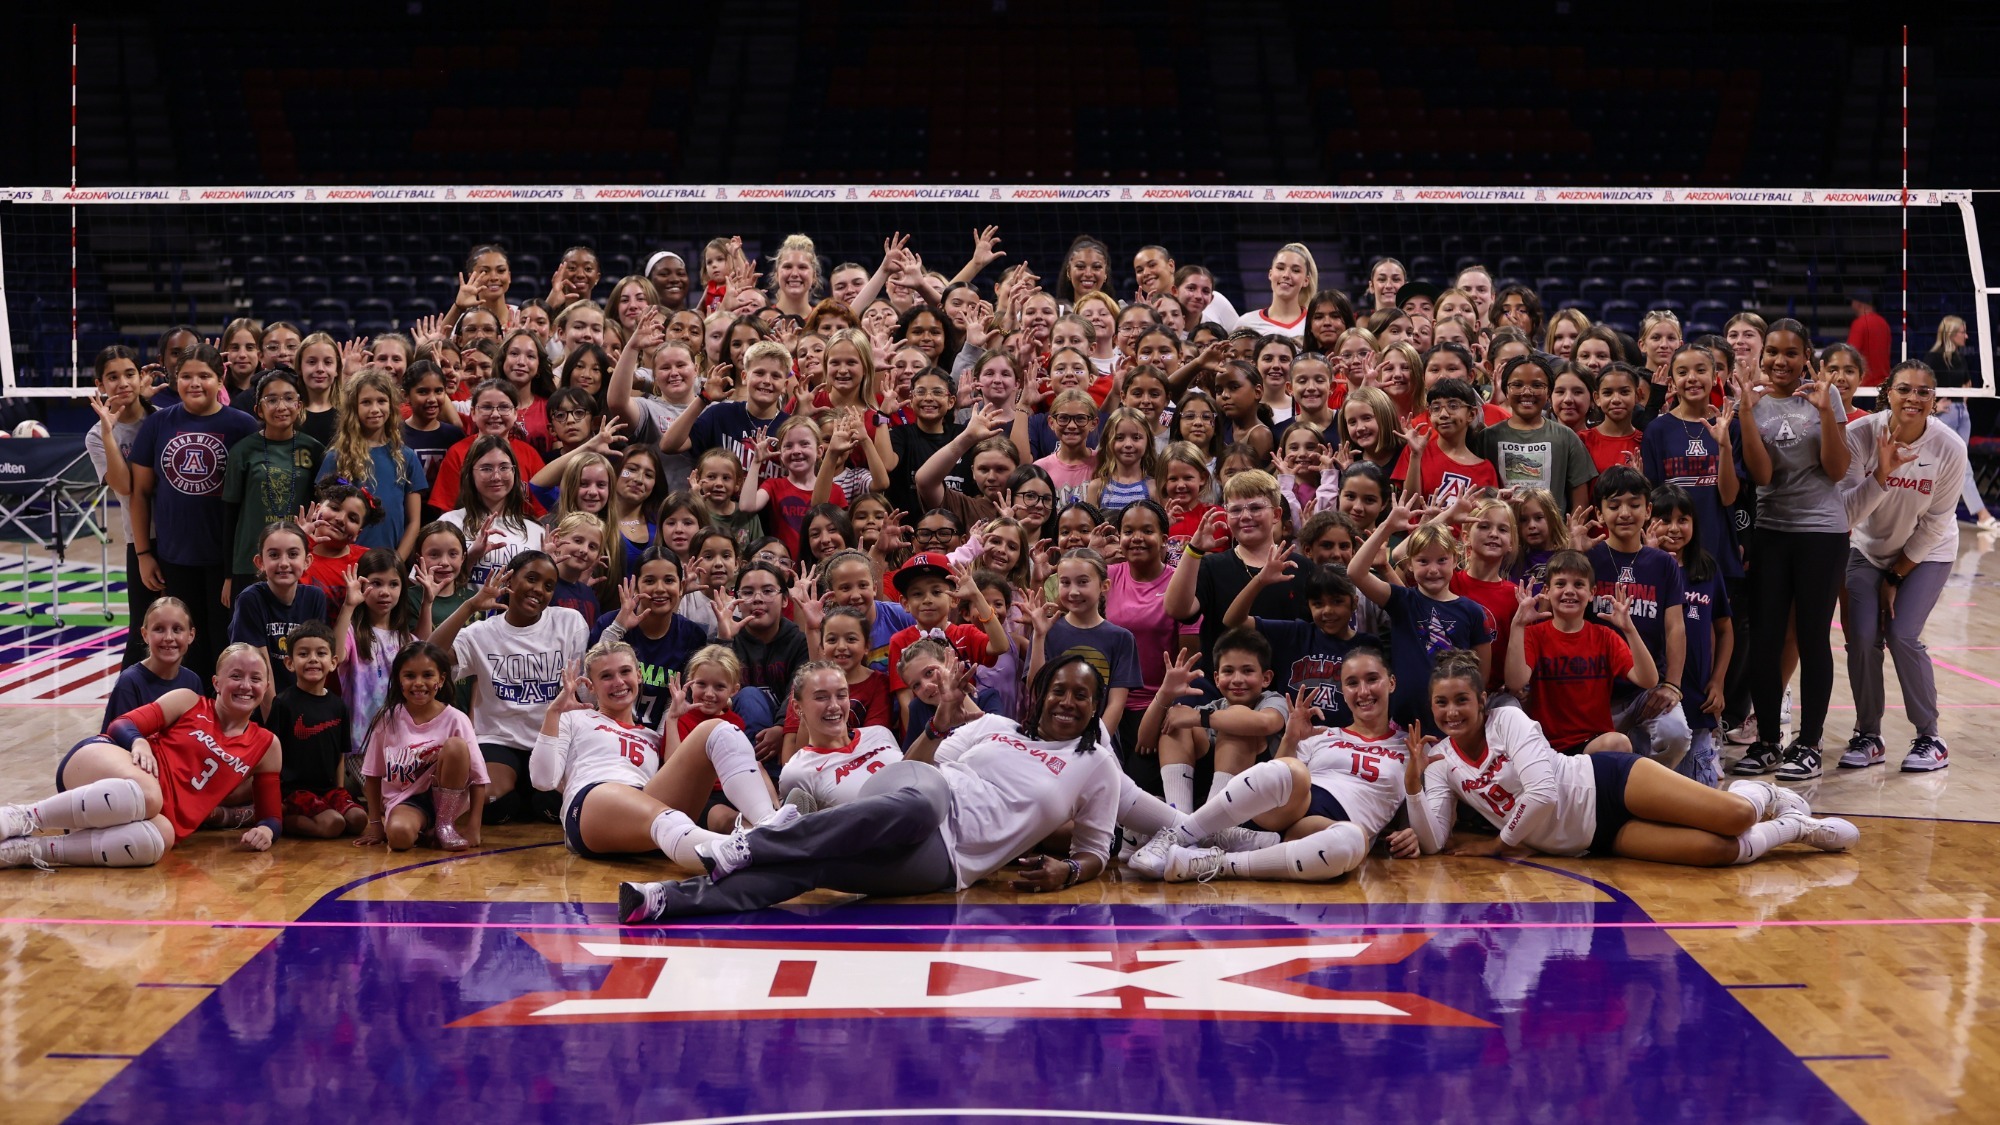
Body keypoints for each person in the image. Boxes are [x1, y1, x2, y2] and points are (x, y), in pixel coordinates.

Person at [618, 650, 1123, 921]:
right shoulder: (995, 726)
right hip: (921, 789)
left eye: (1082, 695)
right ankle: (755, 842)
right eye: (1059, 690)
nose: (1068, 702)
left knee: (813, 866)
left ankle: (665, 900)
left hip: (950, 862)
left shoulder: (1097, 763)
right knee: (919, 806)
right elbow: (920, 764)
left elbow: (1097, 847)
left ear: (1095, 706)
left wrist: (1073, 870)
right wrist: (939, 723)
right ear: (1041, 694)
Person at [1406, 650, 1857, 865]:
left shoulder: (1507, 721)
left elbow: (1543, 792)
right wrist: (1413, 788)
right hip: (1592, 839)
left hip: (1605, 782)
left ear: (1481, 700)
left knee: (1736, 817)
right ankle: (1795, 828)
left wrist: (1498, 845)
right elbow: (1434, 841)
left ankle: (1760, 793)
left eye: (1461, 700)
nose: (1451, 712)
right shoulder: (1441, 762)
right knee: (1718, 853)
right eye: (1441, 703)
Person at [1123, 648, 1410, 883]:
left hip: (1319, 829)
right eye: (1351, 683)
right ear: (1343, 691)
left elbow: (1423, 818)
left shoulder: (1413, 747)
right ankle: (1185, 833)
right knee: (1293, 771)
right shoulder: (1324, 735)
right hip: (1286, 807)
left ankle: (1211, 861)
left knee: (1351, 841)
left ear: (1392, 683)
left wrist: (1412, 831)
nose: (1363, 691)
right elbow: (1277, 774)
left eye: (1372, 679)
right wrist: (1291, 737)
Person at [1, 644, 281, 871]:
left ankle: (28, 851)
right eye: (236, 676)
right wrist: (138, 742)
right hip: (98, 767)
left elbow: (272, 816)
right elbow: (120, 725)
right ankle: (21, 816)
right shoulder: (189, 701)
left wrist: (267, 831)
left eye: (255, 679)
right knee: (151, 795)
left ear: (266, 685)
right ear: (217, 682)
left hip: (132, 814)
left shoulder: (267, 745)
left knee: (162, 836)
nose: (246, 685)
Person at [1730, 319, 1852, 781]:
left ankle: (1810, 743)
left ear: (1806, 358)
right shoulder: (1752, 402)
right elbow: (1761, 478)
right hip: (1771, 530)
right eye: (1773, 353)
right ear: (1762, 359)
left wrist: (1824, 411)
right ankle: (1765, 742)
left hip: (1822, 533)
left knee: (1813, 637)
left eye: (1791, 353)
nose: (1780, 361)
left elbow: (1837, 471)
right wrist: (1744, 414)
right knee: (1765, 638)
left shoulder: (1826, 397)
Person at [1837, 360, 1964, 772]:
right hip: (1869, 547)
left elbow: (1935, 525)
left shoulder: (1949, 448)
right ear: (1887, 392)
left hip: (1927, 552)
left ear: (1933, 399)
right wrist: (1884, 475)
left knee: (1903, 634)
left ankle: (1930, 737)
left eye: (1924, 392)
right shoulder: (1859, 435)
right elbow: (1847, 513)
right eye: (1905, 389)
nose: (1914, 398)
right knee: (1861, 636)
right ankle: (1869, 734)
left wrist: (1896, 577)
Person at [128, 342, 261, 678]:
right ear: (175, 379)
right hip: (175, 559)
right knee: (186, 651)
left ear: (221, 377)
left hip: (227, 563)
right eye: (186, 376)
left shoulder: (243, 426)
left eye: (204, 375)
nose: (194, 383)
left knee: (226, 646)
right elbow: (140, 493)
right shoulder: (158, 425)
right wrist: (144, 553)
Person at [431, 551, 590, 823]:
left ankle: (532, 798)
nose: (539, 590)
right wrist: (469, 607)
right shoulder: (480, 633)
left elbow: (583, 688)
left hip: (552, 739)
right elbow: (430, 656)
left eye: (549, 586)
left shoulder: (570, 622)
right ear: (510, 580)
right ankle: (517, 797)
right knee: (491, 803)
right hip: (499, 739)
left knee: (561, 804)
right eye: (531, 578)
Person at [355, 641, 485, 851]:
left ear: (441, 679)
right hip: (406, 801)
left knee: (456, 746)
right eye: (409, 676)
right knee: (398, 837)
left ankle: (444, 825)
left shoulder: (456, 719)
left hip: (449, 800)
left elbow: (479, 778)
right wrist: (376, 825)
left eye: (427, 675)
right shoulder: (387, 719)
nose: (418, 683)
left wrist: (474, 827)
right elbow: (372, 774)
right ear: (399, 680)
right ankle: (426, 832)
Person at [1140, 630, 1289, 812]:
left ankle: (1210, 823)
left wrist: (1199, 718)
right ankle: (1178, 817)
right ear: (1217, 679)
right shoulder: (1212, 708)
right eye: (1228, 671)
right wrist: (1165, 694)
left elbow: (1267, 723)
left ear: (1266, 678)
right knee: (1177, 719)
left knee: (1237, 720)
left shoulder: (1273, 700)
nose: (1237, 679)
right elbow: (1145, 742)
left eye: (1247, 671)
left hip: (1259, 807)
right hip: (1201, 801)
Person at [222, 369, 323, 602]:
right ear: (258, 409)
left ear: (299, 405)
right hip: (249, 562)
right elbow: (230, 515)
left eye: (289, 398)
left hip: (296, 562)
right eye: (272, 399)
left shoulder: (314, 450)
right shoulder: (242, 451)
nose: (281, 406)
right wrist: (228, 575)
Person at [269, 621, 363, 838]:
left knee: (358, 820)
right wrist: (274, 799)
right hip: (294, 791)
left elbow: (340, 754)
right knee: (333, 824)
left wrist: (340, 791)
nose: (312, 659)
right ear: (290, 663)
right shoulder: (283, 703)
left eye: (320, 653)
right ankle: (284, 818)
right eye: (304, 654)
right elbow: (271, 754)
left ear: (332, 662)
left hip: (328, 790)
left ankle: (327, 811)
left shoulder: (338, 705)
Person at [227, 520, 332, 696]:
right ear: (260, 562)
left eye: (292, 554)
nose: (284, 563)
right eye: (274, 555)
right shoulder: (250, 599)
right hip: (258, 699)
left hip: (298, 699)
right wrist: (274, 720)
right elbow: (259, 670)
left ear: (307, 561)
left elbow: (316, 665)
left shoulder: (315, 597)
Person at [1922, 316, 1997, 530]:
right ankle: (1982, 515)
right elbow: (1922, 386)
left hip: (1962, 414)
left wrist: (1964, 394)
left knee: (1956, 466)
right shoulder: (1933, 358)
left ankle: (1938, 513)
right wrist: (1934, 407)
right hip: (1944, 417)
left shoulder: (1959, 357)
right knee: (1958, 466)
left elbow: (1966, 382)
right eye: (1962, 332)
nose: (1966, 336)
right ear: (1951, 333)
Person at [103, 599, 204, 732]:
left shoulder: (192, 681)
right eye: (159, 629)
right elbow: (112, 740)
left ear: (191, 635)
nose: (168, 637)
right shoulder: (129, 683)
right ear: (145, 635)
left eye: (177, 629)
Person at [1846, 288, 1892, 386]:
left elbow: (1851, 355)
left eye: (1852, 302)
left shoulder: (1859, 324)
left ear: (1858, 304)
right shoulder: (1884, 323)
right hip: (1883, 384)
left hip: (1865, 385)